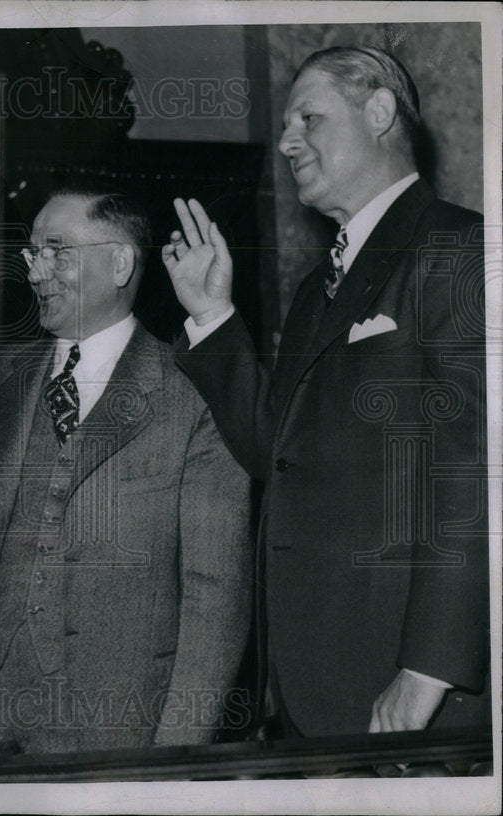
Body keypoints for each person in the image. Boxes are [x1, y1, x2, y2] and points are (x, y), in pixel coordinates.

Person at [0, 189, 252, 757]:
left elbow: (217, 595)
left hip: (120, 725)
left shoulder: (194, 394)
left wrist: (179, 748)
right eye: (32, 253)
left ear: (119, 263)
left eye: (56, 250)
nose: (36, 270)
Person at [162, 45, 488, 737]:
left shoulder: (461, 250)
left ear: (378, 112)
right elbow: (276, 451)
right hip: (314, 686)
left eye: (307, 117)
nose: (285, 142)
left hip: (412, 690)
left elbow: (479, 469)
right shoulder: (321, 286)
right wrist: (212, 317)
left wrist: (429, 668)